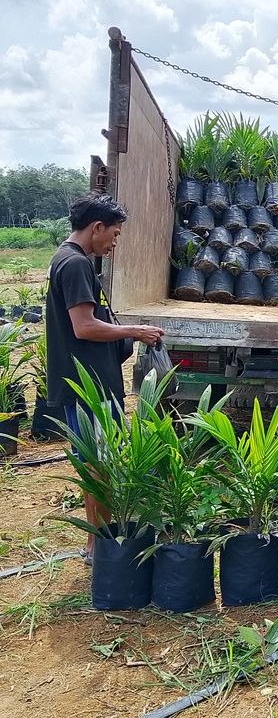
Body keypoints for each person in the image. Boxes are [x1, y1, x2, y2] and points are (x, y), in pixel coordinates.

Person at [46, 192, 164, 559]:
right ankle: (100, 544)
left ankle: (97, 542)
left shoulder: (65, 259)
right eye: (113, 234)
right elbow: (83, 327)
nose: (113, 243)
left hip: (85, 383)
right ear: (96, 227)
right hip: (89, 388)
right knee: (98, 465)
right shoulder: (76, 264)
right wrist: (135, 331)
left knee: (94, 462)